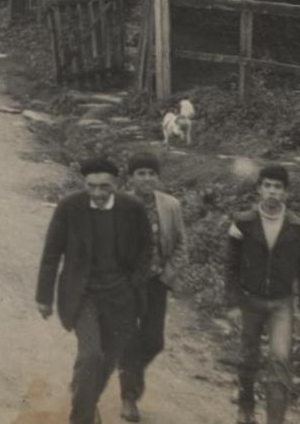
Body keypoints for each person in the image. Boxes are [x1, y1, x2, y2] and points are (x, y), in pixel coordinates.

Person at [36, 157, 152, 424]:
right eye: (92, 186)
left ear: (117, 184)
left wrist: (134, 282)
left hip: (120, 296)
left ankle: (86, 398)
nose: (98, 193)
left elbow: (147, 248)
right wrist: (44, 297)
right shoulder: (69, 207)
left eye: (104, 187)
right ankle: (82, 417)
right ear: (83, 183)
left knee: (108, 359)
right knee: (90, 356)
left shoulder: (132, 208)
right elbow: (52, 252)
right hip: (82, 295)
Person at [225, 165, 300, 424]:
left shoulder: (297, 226)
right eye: (268, 186)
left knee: (280, 359)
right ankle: (245, 406)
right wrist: (232, 304)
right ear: (259, 189)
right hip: (249, 300)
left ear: (285, 192)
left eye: (278, 187)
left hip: (281, 304)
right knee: (248, 357)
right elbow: (230, 268)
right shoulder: (243, 222)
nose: (273, 192)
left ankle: (275, 420)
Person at [117, 153, 186, 422]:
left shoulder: (170, 205)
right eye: (140, 173)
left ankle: (127, 370)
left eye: (151, 173)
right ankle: (129, 397)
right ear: (131, 177)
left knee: (154, 341)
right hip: (125, 284)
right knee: (130, 339)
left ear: (158, 177)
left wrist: (169, 275)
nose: (146, 178)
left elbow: (182, 244)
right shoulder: (118, 204)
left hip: (157, 282)